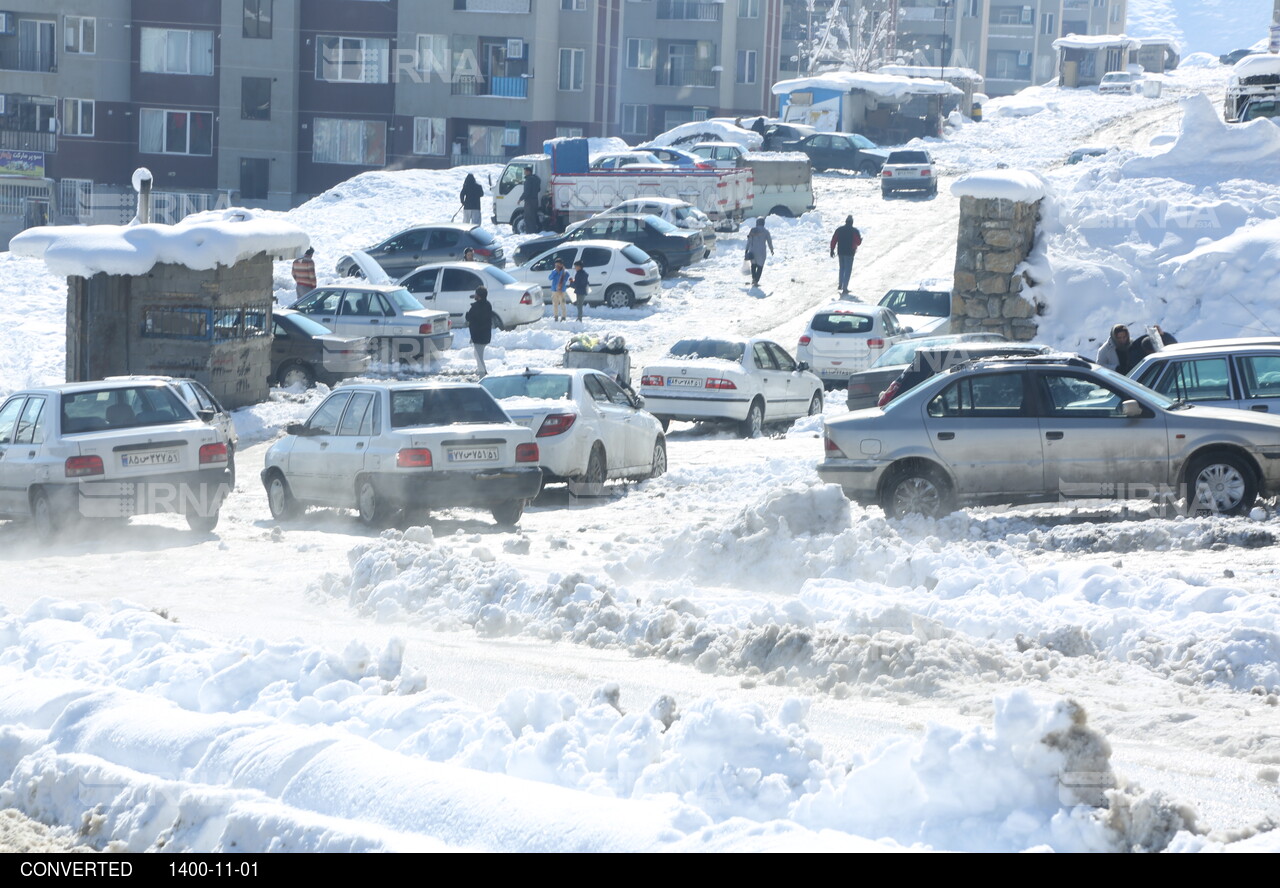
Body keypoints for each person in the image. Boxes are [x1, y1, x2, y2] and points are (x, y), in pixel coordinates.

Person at [829, 215, 862, 295]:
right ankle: (845, 288)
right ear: (852, 222)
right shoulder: (854, 231)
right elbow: (858, 242)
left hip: (840, 252)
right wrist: (860, 239)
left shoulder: (839, 230)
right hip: (850, 253)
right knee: (848, 270)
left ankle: (840, 284)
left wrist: (832, 250)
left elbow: (834, 240)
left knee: (842, 268)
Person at [465, 286, 494, 377]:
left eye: (476, 294)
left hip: (478, 336)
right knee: (477, 354)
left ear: (479, 296)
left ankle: (482, 376)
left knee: (478, 356)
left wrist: (467, 314)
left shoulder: (476, 307)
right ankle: (483, 372)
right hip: (484, 335)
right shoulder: (488, 305)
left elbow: (469, 317)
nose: (475, 295)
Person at [744, 217, 774, 288]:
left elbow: (749, 241)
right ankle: (756, 281)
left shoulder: (752, 230)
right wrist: (771, 250)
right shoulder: (766, 232)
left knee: (753, 265)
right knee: (760, 267)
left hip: (752, 252)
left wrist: (746, 249)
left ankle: (753, 279)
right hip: (761, 252)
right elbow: (769, 242)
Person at [548, 257, 571, 322]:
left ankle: (563, 316)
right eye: (555, 265)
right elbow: (549, 278)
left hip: (561, 291)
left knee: (562, 304)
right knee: (555, 304)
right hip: (554, 290)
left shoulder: (565, 272)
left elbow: (564, 280)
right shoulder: (554, 271)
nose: (557, 266)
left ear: (561, 265)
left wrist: (560, 272)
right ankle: (556, 316)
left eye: (558, 265)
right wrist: (555, 272)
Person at [521, 166, 541, 232]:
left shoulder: (528, 180)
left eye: (525, 171)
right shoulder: (537, 179)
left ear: (528, 172)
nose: (524, 173)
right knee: (533, 216)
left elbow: (527, 192)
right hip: (535, 200)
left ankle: (530, 231)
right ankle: (534, 230)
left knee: (528, 217)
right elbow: (538, 189)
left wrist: (520, 199)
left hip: (529, 201)